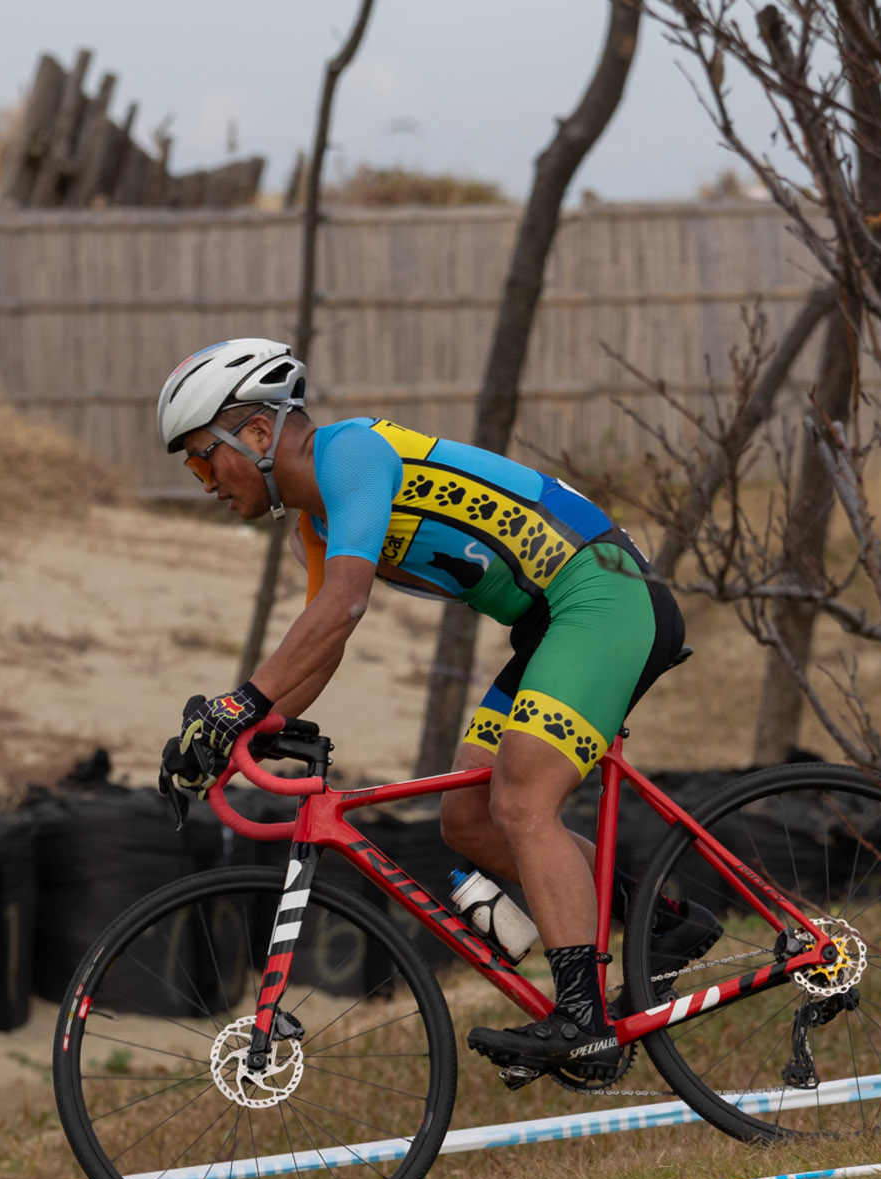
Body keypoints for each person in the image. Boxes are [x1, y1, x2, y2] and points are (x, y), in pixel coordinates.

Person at [155, 338, 718, 1081]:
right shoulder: (315, 525)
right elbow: (322, 645)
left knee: (522, 800)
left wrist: (243, 702)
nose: (205, 484)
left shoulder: (349, 455)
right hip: (553, 622)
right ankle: (665, 926)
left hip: (604, 597)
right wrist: (236, 735)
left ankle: (584, 1020)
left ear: (258, 432)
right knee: (468, 820)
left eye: (203, 461)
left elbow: (344, 605)